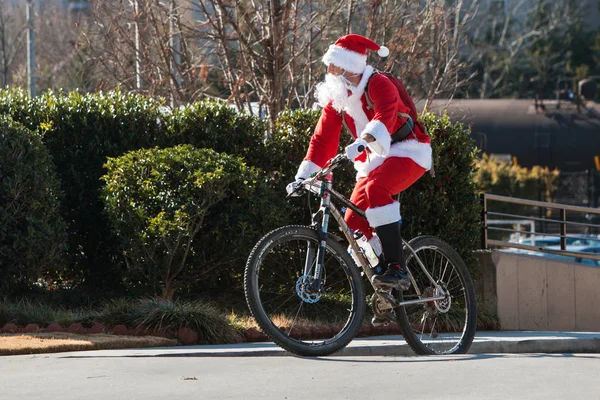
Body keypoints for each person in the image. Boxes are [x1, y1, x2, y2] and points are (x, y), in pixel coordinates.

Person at [286, 34, 432, 322]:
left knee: (378, 191)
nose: (328, 73)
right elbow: (322, 140)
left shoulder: (378, 83)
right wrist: (304, 175)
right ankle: (386, 292)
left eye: (333, 67)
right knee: (352, 226)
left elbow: (386, 114)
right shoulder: (337, 98)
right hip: (373, 161)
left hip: (407, 150)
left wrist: (365, 140)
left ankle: (397, 267)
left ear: (349, 66)